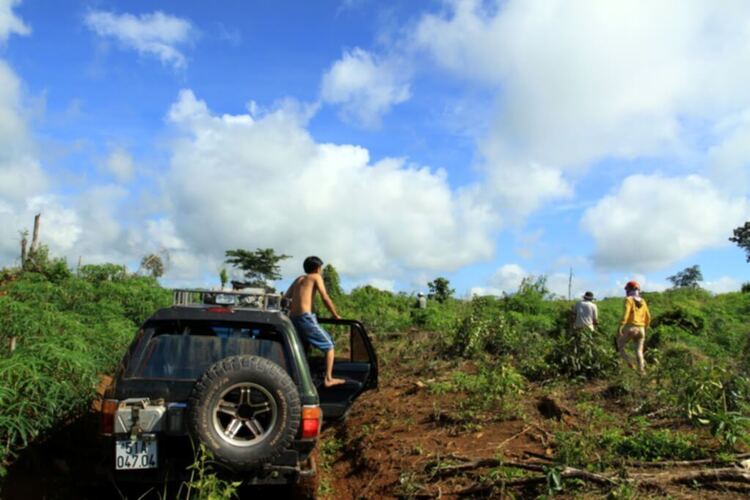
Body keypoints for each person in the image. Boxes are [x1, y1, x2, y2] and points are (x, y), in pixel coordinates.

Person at [284, 256, 345, 387]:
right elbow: (325, 297)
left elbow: (285, 298)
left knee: (302, 348)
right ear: (318, 268)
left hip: (293, 319)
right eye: (321, 268)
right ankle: (328, 379)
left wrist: (292, 309)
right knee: (329, 346)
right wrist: (335, 315)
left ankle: (298, 378)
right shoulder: (316, 277)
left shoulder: (298, 279)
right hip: (305, 318)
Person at [617, 280, 651, 374]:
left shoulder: (628, 300)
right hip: (641, 329)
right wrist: (646, 327)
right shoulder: (643, 301)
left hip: (630, 327)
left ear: (628, 290)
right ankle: (641, 371)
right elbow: (648, 316)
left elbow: (626, 314)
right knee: (639, 351)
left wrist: (621, 325)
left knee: (620, 345)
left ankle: (629, 362)